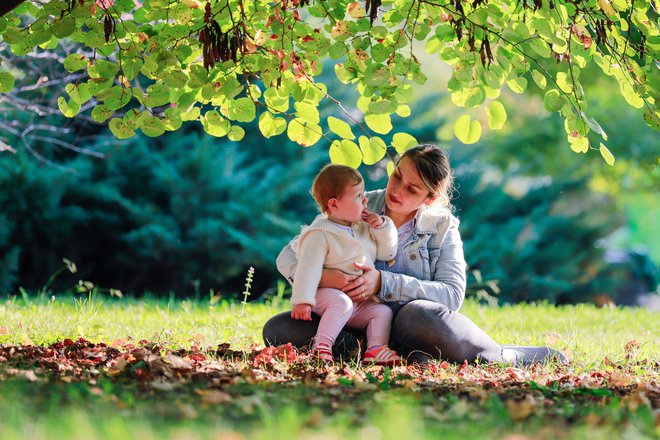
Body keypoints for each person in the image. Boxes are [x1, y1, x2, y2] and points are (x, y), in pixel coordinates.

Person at [264, 145, 567, 366]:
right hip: (355, 318)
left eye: (412, 189)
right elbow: (290, 256)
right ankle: (379, 350)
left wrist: (384, 282)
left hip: (414, 322)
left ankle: (504, 355)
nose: (397, 191)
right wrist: (326, 277)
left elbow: (451, 296)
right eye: (396, 177)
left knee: (420, 314)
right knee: (279, 329)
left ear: (430, 197)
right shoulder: (359, 204)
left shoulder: (441, 226)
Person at [289, 164, 403, 366]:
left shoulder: (363, 228)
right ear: (334, 205)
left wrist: (382, 228)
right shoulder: (319, 233)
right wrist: (303, 300)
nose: (366, 199)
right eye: (358, 196)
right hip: (325, 295)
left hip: (356, 302)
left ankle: (375, 348)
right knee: (341, 303)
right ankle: (321, 346)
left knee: (382, 312)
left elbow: (388, 252)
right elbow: (308, 269)